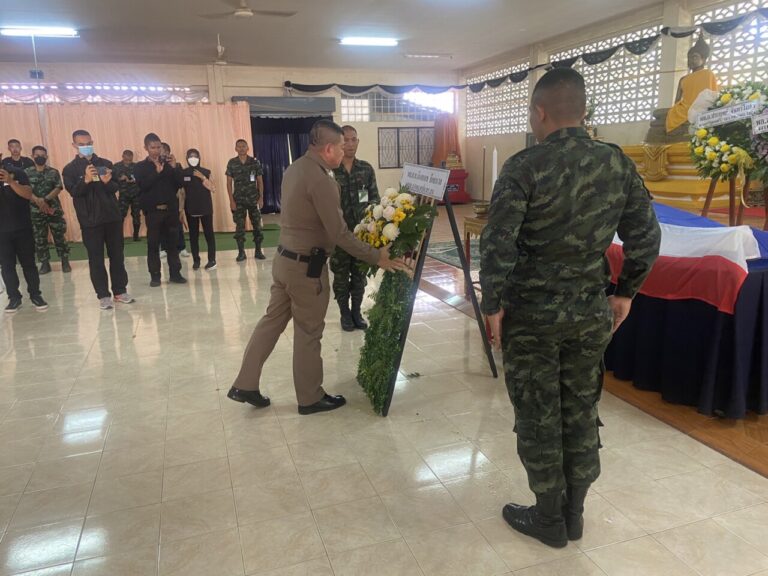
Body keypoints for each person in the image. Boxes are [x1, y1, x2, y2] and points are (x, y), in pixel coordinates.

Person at [479, 68, 661, 549]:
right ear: (582, 111)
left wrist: (491, 304)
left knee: (539, 414)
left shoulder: (524, 166)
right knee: (580, 408)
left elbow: (497, 244)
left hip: (532, 317)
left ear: (539, 112)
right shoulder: (616, 163)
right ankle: (574, 513)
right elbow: (646, 238)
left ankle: (548, 517)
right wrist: (625, 292)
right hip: (588, 313)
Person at [227, 120, 407, 415]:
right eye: (341, 146)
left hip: (284, 261)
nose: (344, 150)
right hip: (305, 268)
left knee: (271, 322)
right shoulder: (322, 179)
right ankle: (310, 398)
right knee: (309, 331)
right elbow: (339, 233)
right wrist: (377, 257)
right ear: (328, 149)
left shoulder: (295, 168)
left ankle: (244, 383)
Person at [62, 130, 134, 310]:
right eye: (81, 144)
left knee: (117, 256)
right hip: (90, 221)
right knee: (96, 259)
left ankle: (120, 291)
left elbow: (115, 188)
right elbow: (74, 192)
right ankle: (103, 295)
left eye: (88, 143)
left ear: (92, 142)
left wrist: (107, 182)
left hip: (112, 218)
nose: (85, 147)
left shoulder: (105, 164)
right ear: (74, 145)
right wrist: (86, 180)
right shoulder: (70, 169)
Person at [331, 125, 380, 332]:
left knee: (359, 276)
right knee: (341, 277)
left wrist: (372, 225)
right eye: (346, 140)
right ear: (339, 143)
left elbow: (374, 199)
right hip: (339, 236)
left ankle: (356, 312)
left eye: (353, 140)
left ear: (358, 142)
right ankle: (344, 313)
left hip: (361, 235)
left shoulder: (366, 169)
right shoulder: (331, 171)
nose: (350, 144)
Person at [134, 133, 186, 286]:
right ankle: (155, 276)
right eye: (153, 147)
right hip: (153, 212)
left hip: (171, 211)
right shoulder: (140, 167)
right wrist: (156, 172)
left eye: (158, 147)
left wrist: (174, 167)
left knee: (172, 244)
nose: (156, 151)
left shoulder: (170, 165)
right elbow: (142, 186)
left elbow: (180, 183)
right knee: (153, 244)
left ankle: (175, 274)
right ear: (146, 148)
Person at [0, 162, 48, 313]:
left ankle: (36, 295)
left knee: (29, 264)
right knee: (7, 266)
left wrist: (11, 181)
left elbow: (28, 194)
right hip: (2, 232)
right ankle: (14, 298)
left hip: (22, 228)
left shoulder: (17, 172)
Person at [26, 146, 71, 275]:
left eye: (42, 155)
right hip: (35, 211)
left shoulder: (53, 172)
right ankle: (45, 263)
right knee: (40, 238)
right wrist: (37, 201)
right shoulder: (26, 172)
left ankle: (65, 261)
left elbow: (58, 187)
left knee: (59, 235)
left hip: (53, 209)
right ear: (32, 156)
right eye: (37, 155)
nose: (40, 157)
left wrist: (45, 199)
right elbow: (25, 189)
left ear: (46, 157)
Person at [666, 36, 718, 134]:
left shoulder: (708, 74)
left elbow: (712, 95)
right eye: (689, 58)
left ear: (703, 59)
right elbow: (677, 101)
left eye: (694, 57)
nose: (690, 60)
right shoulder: (683, 79)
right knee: (664, 113)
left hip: (701, 106)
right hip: (683, 108)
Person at [226, 139, 265, 261]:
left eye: (244, 146)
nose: (241, 148)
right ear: (235, 148)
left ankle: (258, 251)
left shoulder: (254, 162)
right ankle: (241, 253)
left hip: (253, 199)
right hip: (238, 200)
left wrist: (261, 197)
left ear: (248, 148)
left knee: (257, 226)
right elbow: (229, 183)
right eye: (239, 146)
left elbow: (260, 181)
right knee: (240, 227)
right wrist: (231, 201)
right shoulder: (232, 163)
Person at [180, 149, 217, 271]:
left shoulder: (206, 172)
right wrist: (181, 209)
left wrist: (202, 178)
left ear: (199, 157)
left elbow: (213, 188)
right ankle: (196, 260)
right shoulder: (184, 173)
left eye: (195, 156)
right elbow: (182, 193)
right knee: (193, 236)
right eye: (190, 156)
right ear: (187, 158)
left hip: (206, 208)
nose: (193, 158)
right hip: (191, 209)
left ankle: (212, 260)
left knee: (209, 234)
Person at [112, 149, 142, 241]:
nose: (128, 162)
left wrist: (135, 179)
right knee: (120, 215)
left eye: (130, 160)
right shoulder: (116, 166)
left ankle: (136, 236)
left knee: (136, 215)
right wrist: (120, 178)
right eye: (126, 160)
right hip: (123, 194)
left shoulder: (137, 166)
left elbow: (142, 178)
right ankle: (119, 236)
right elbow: (111, 179)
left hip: (136, 194)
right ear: (122, 157)